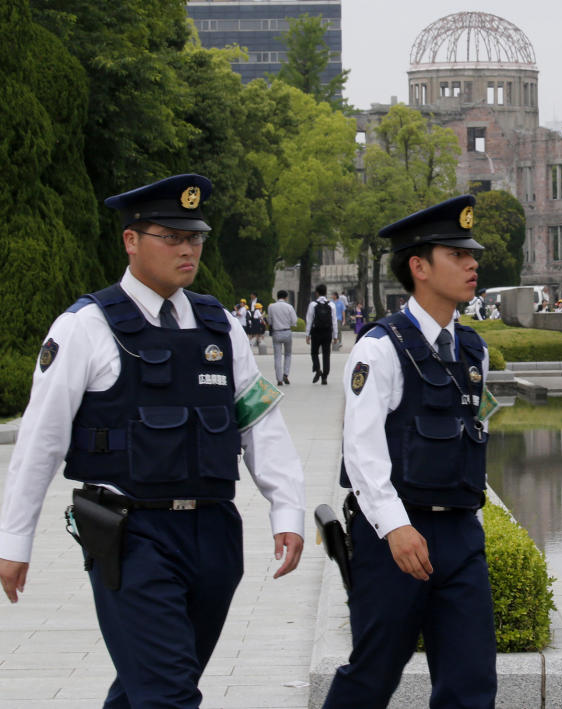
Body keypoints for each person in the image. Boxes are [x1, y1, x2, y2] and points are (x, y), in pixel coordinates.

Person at [0, 174, 306, 708]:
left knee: (155, 685)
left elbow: (259, 423)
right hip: (132, 536)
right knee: (167, 695)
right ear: (131, 240)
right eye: (171, 236)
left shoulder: (221, 326)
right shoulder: (86, 327)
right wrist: (14, 541)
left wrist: (288, 509)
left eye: (195, 238)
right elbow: (40, 441)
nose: (188, 249)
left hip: (213, 534)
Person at [323, 195, 496, 708]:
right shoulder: (380, 347)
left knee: (471, 682)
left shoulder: (472, 349)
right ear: (418, 266)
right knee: (373, 674)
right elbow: (362, 449)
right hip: (393, 536)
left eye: (473, 255)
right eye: (458, 255)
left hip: (460, 536)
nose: (472, 264)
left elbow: (474, 427)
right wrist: (396, 527)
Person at [306, 284, 337, 385]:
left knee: (314, 352)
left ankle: (318, 369)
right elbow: (334, 321)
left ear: (317, 293)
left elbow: (309, 320)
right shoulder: (331, 305)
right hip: (327, 332)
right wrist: (335, 336)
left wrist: (307, 334)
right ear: (325, 292)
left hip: (316, 332)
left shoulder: (313, 304)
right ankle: (325, 377)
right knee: (326, 354)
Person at [268, 290, 298, 386]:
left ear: (277, 297)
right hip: (287, 331)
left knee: (277, 356)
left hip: (276, 332)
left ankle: (279, 379)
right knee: (288, 354)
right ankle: (286, 374)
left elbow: (270, 320)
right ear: (286, 297)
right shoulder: (289, 307)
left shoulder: (271, 307)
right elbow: (294, 321)